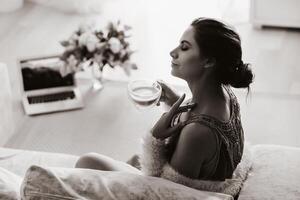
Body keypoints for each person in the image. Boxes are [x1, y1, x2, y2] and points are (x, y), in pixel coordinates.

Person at [75, 17, 254, 196]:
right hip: (202, 178)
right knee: (130, 160)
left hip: (173, 193)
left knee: (87, 162)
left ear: (208, 61)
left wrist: (155, 139)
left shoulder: (197, 133)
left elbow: (164, 193)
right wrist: (174, 100)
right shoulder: (225, 94)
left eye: (184, 47)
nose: (172, 52)